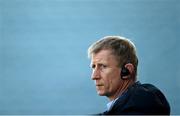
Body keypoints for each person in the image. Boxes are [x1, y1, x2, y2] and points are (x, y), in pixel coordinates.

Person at [87, 36, 170, 115]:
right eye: (94, 67)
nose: (94, 76)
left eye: (103, 66)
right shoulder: (127, 106)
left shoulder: (141, 105)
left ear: (127, 71)